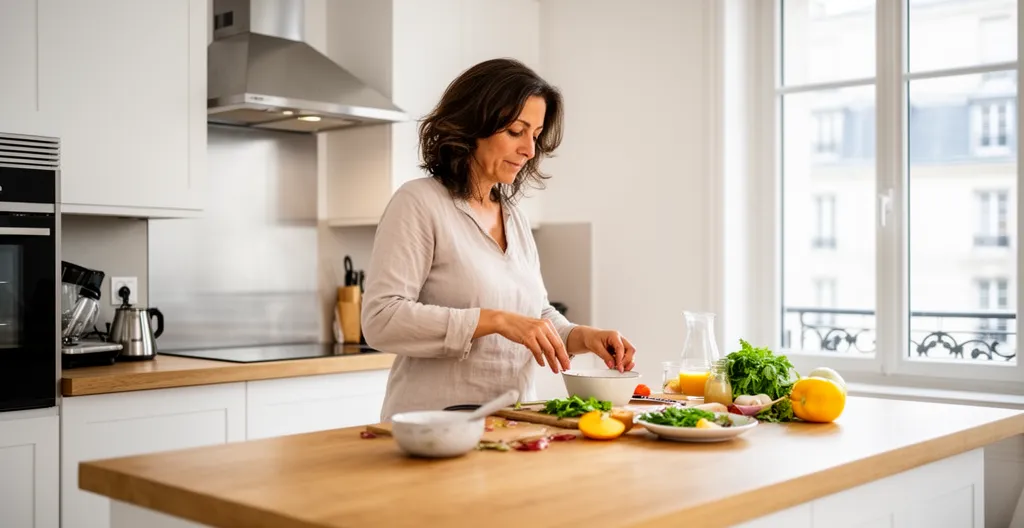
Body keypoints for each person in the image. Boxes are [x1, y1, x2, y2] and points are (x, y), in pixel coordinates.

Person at [361, 58, 637, 420]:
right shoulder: (419, 203)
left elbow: (535, 315)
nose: (530, 150)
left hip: (512, 424)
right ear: (472, 126)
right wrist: (495, 320)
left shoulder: (515, 218)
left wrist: (584, 337)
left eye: (535, 135)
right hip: (433, 428)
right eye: (515, 131)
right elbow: (381, 320)